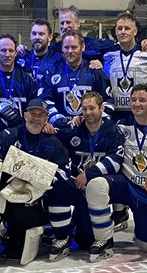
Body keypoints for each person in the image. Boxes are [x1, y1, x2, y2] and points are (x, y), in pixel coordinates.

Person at [85, 85, 147, 259]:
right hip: (126, 184)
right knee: (97, 185)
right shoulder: (120, 126)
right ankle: (103, 239)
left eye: (142, 100)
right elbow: (93, 122)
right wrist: (76, 120)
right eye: (133, 100)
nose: (136, 103)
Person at [0, 98, 71, 263]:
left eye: (40, 115)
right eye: (32, 114)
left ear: (46, 118)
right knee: (14, 251)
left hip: (38, 197)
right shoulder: (7, 136)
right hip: (9, 196)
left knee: (62, 189)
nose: (36, 118)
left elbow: (65, 171)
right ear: (25, 115)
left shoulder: (54, 143)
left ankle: (60, 234)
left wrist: (39, 182)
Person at [49, 91, 124, 261]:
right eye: (84, 109)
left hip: (101, 187)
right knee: (57, 186)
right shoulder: (74, 129)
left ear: (102, 108)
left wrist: (89, 174)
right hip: (77, 186)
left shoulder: (113, 130)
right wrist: (47, 127)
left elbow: (116, 160)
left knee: (86, 240)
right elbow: (55, 135)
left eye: (92, 108)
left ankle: (104, 239)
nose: (88, 113)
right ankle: (62, 237)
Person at [41, 31, 113, 127]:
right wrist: (58, 120)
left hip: (90, 131)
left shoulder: (95, 72)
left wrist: (90, 118)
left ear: (82, 47)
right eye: (66, 47)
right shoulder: (52, 73)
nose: (70, 51)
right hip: (61, 130)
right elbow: (45, 101)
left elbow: (108, 102)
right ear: (62, 48)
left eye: (74, 47)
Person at [102, 14, 147, 123]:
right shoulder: (108, 56)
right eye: (120, 28)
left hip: (141, 114)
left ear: (135, 31)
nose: (123, 31)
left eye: (127, 28)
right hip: (115, 114)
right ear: (116, 32)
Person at [0, 35, 40, 125]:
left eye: (11, 51)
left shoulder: (26, 79)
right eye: (3, 50)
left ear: (15, 53)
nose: (7, 54)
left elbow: (34, 106)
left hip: (20, 132)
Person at [21, 19, 60, 87]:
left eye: (41, 34)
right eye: (34, 33)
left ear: (50, 37)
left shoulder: (58, 59)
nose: (37, 37)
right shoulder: (23, 57)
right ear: (30, 36)